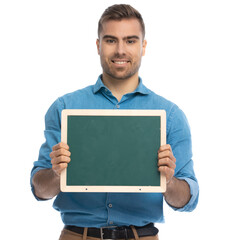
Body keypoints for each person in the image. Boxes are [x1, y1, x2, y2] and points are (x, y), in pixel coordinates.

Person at [31, 4, 199, 240]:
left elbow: (188, 200)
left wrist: (169, 182)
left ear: (143, 47)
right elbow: (39, 189)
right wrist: (56, 174)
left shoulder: (170, 115)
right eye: (111, 40)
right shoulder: (64, 108)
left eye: (130, 41)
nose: (120, 50)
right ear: (99, 46)